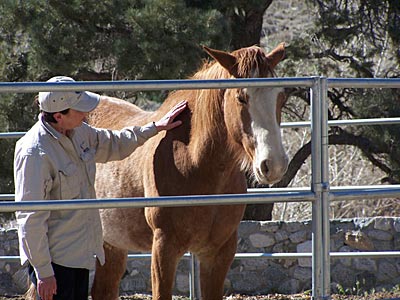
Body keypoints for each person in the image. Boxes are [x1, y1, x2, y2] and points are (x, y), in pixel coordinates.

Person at [14, 76, 188, 300]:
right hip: (55, 263)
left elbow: (116, 142)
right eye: (80, 110)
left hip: (79, 256)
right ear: (59, 115)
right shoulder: (34, 153)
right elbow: (30, 218)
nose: (86, 114)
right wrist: (44, 272)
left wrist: (155, 128)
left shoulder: (79, 134)